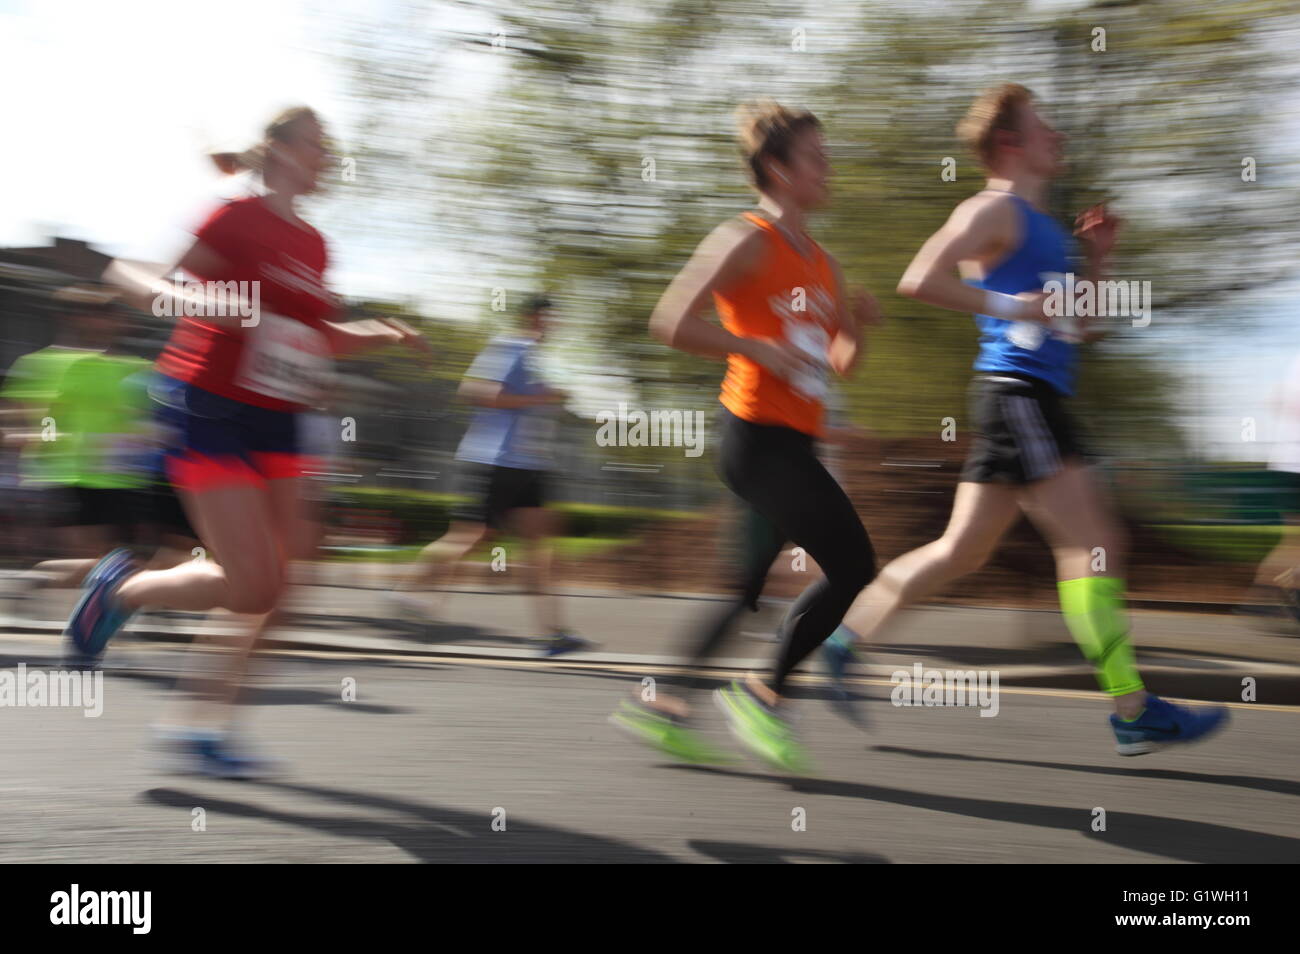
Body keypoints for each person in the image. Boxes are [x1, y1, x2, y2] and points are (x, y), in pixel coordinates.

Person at [822, 83, 1227, 756]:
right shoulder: (993, 208)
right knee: (1093, 544)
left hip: (1030, 398)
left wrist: (1098, 259)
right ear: (1011, 143)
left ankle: (844, 639)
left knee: (964, 551)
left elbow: (1081, 328)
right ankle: (1133, 710)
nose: (1058, 136)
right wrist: (1015, 310)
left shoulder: (1047, 229)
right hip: (1020, 396)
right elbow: (919, 278)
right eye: (1045, 127)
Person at [65, 106, 432, 776]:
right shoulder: (233, 216)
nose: (328, 157)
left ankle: (201, 727)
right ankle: (121, 594)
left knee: (287, 585)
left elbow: (317, 338)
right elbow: (138, 278)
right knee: (252, 583)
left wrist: (385, 332)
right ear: (282, 149)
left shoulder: (317, 246)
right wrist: (201, 305)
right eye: (319, 144)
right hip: (210, 407)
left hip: (280, 419)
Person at [637, 100, 881, 772]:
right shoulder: (745, 239)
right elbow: (670, 320)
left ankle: (659, 705)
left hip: (795, 444)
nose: (828, 169)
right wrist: (750, 347)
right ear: (777, 169)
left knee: (744, 591)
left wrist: (857, 325)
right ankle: (763, 694)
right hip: (754, 439)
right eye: (816, 159)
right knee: (855, 565)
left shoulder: (825, 264)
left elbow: (839, 364)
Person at [390, 295, 591, 656]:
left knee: (541, 548)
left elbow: (538, 401)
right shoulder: (509, 347)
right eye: (550, 316)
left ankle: (553, 633)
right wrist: (541, 399)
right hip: (496, 461)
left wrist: (548, 401)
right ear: (532, 316)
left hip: (531, 466)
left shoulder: (538, 358)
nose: (555, 324)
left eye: (557, 318)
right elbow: (477, 392)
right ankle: (407, 591)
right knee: (469, 537)